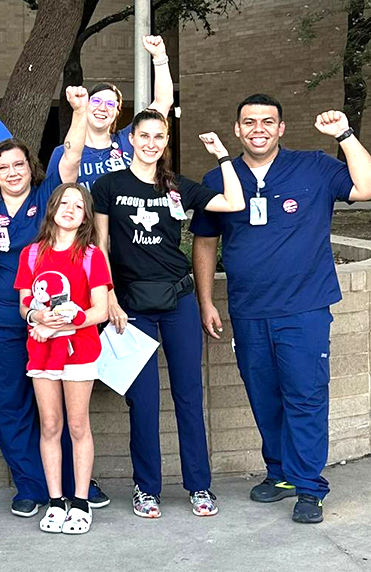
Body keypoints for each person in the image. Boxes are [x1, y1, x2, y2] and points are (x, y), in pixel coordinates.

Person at [192, 96, 371, 524]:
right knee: (264, 397)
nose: (258, 128)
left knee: (305, 395)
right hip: (248, 311)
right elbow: (205, 242)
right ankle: (280, 473)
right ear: (237, 130)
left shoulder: (314, 168)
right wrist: (206, 300)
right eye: (248, 122)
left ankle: (309, 486)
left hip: (304, 308)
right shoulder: (220, 176)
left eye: (267, 121)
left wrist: (345, 135)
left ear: (281, 129)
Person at [93, 110, 245, 519]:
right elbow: (102, 244)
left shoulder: (176, 186)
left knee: (188, 396)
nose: (151, 143)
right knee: (141, 402)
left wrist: (223, 157)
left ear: (165, 142)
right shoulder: (109, 185)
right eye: (144, 135)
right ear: (130, 139)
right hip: (131, 307)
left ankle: (199, 486)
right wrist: (108, 296)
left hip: (178, 301)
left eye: (159, 136)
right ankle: (147, 488)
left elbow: (234, 202)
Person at [0, 87, 98, 518]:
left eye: (18, 164)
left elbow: (72, 157)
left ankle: (72, 485)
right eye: (3, 166)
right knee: (10, 405)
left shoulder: (47, 200)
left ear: (30, 168)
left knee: (60, 410)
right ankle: (30, 486)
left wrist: (79, 111)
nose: (12, 172)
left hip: (57, 329)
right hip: (0, 324)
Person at [15, 183, 111, 535]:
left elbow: (99, 310)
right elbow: (25, 305)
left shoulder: (91, 256)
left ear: (86, 216)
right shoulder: (31, 254)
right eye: (64, 203)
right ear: (52, 207)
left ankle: (81, 501)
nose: (70, 209)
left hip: (78, 350)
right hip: (41, 350)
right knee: (50, 425)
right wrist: (36, 318)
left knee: (77, 425)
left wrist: (69, 320)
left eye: (79, 206)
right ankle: (56, 500)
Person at [46, 35, 174, 189]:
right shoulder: (63, 153)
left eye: (110, 104)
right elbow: (51, 197)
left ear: (117, 112)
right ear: (85, 106)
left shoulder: (129, 140)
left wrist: (160, 57)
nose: (102, 108)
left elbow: (163, 101)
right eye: (96, 101)